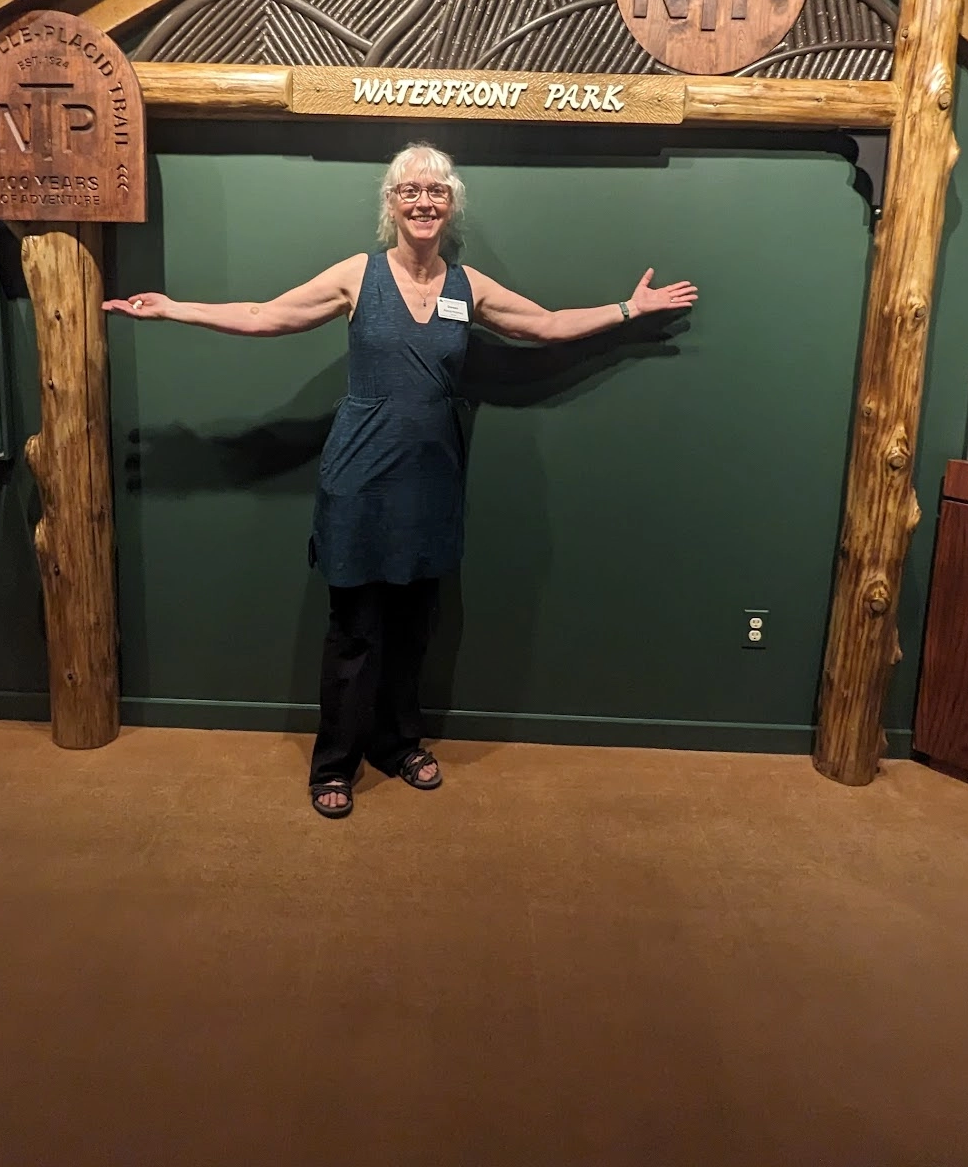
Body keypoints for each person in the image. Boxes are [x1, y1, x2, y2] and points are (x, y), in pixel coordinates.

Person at [103, 143, 698, 818]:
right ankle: (334, 763)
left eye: (436, 191)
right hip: (359, 478)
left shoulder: (466, 287)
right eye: (409, 190)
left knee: (414, 627)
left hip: (432, 479)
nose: (422, 201)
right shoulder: (358, 275)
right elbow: (267, 315)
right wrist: (176, 308)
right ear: (391, 204)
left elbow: (548, 324)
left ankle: (397, 743)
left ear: (451, 205)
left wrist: (629, 309)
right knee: (354, 629)